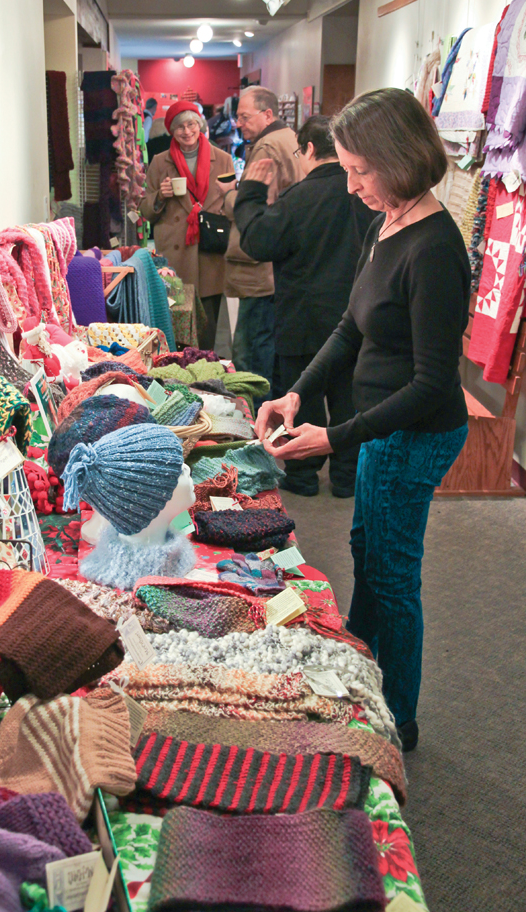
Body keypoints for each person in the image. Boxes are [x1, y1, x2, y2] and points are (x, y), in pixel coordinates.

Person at [254, 88, 471, 751]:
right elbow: (351, 326)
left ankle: (394, 721)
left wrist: (335, 435)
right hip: (379, 424)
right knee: (365, 555)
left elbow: (432, 383)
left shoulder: (434, 249)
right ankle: (358, 680)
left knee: (391, 575)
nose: (350, 188)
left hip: (414, 432)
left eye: (359, 171)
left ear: (397, 159)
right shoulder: (386, 223)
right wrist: (297, 394)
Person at [233, 115, 375, 497]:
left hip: (303, 317)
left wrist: (249, 192)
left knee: (301, 400)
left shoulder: (299, 198)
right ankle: (347, 479)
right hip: (359, 318)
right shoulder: (370, 195)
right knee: (350, 401)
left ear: (309, 149)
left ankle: (302, 477)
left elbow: (258, 241)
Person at [219, 86, 302, 401]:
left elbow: (256, 209)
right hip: (277, 265)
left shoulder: (266, 146)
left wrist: (228, 196)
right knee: (271, 351)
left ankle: (256, 429)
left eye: (244, 116)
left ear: (268, 114)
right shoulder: (289, 139)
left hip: (258, 268)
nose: (239, 123)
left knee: (251, 353)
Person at [140, 100, 234, 350]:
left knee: (208, 326)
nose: (187, 131)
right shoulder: (160, 162)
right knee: (176, 320)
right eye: (179, 126)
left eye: (191, 124)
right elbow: (145, 210)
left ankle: (206, 367)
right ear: (172, 131)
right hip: (175, 252)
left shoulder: (223, 159)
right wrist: (160, 195)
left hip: (210, 249)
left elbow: (232, 201)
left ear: (200, 124)